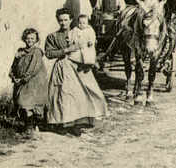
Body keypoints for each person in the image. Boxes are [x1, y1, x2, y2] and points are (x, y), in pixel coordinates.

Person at [45, 8, 108, 136]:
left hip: (79, 66)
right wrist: (66, 50)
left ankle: (78, 123)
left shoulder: (80, 32)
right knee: (63, 95)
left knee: (81, 94)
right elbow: (49, 53)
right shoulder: (53, 36)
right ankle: (63, 123)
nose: (63, 23)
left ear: (71, 20)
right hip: (63, 66)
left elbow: (89, 46)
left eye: (66, 20)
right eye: (60, 20)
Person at [8, 28, 49, 135]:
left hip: (33, 83)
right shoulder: (20, 51)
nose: (29, 40)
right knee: (21, 104)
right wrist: (13, 76)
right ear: (24, 39)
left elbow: (33, 68)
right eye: (27, 38)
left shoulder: (37, 52)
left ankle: (31, 127)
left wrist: (23, 79)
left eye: (32, 38)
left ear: (36, 40)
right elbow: (14, 66)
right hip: (21, 82)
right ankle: (28, 126)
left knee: (28, 104)